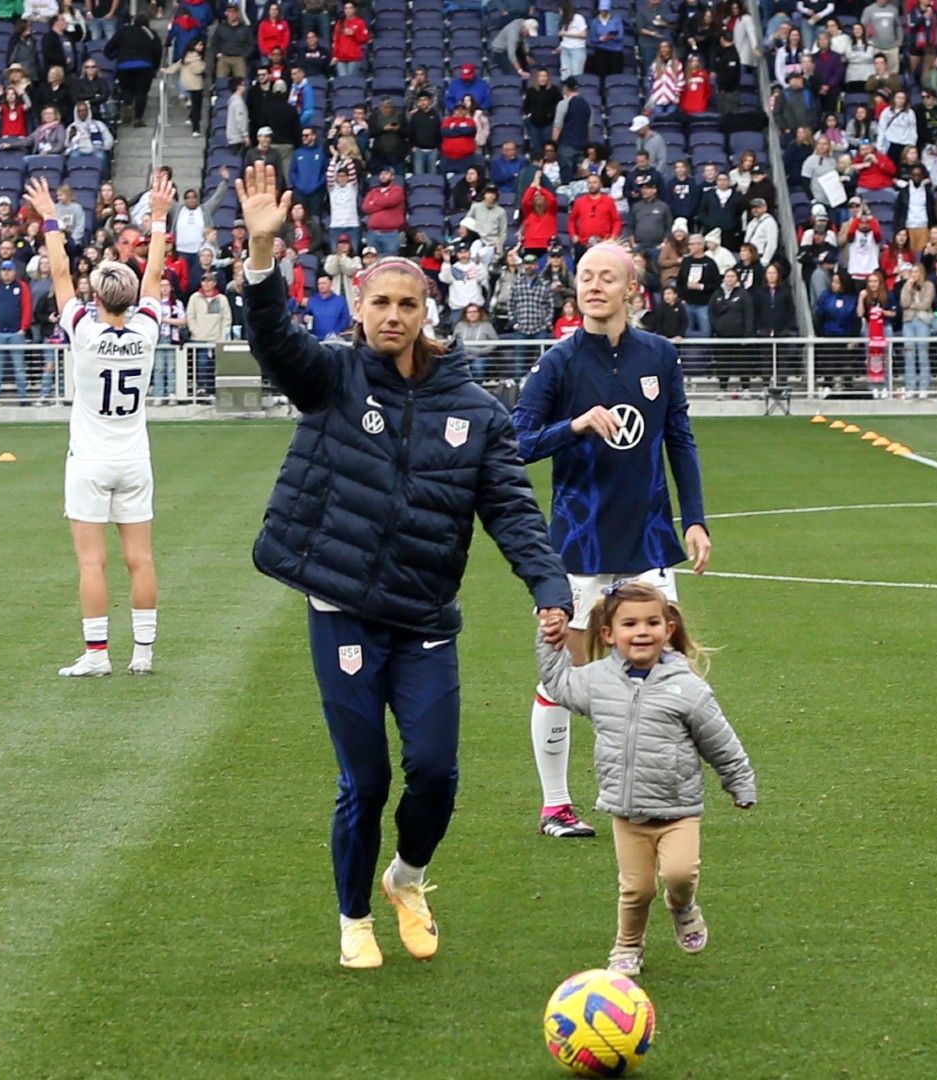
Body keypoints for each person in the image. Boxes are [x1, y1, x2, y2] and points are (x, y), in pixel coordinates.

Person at [235, 162, 573, 969]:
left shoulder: (477, 411)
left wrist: (550, 587)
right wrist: (259, 256)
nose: (392, 315)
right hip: (343, 610)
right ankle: (354, 917)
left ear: (430, 312)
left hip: (422, 618)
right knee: (367, 780)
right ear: (359, 309)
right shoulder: (333, 376)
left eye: (406, 304)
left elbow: (512, 511)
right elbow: (275, 341)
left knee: (435, 774)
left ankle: (407, 877)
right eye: (379, 302)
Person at [511, 243, 711, 840]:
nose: (594, 286)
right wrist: (573, 425)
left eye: (607, 277)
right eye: (585, 277)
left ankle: (646, 796)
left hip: (648, 541)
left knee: (653, 675)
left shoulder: (660, 355)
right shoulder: (558, 363)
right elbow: (516, 444)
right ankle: (555, 806)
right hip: (578, 545)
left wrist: (694, 518)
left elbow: (681, 439)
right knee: (562, 681)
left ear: (632, 287)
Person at [536, 581, 756, 977]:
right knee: (636, 890)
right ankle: (627, 945)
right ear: (608, 633)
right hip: (627, 811)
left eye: (653, 622)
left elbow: (719, 739)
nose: (642, 631)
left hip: (678, 810)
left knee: (679, 874)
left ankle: (683, 905)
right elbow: (559, 684)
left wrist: (739, 781)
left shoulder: (686, 686)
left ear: (668, 630)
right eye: (630, 623)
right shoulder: (598, 681)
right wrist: (550, 640)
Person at [26, 174, 174, 678]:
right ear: (130, 298)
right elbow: (154, 275)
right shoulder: (149, 327)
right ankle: (144, 653)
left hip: (89, 459)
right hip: (135, 457)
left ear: (97, 297)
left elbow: (61, 270)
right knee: (141, 559)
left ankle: (96, 654)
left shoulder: (83, 330)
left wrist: (50, 216)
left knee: (93, 564)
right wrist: (157, 217)